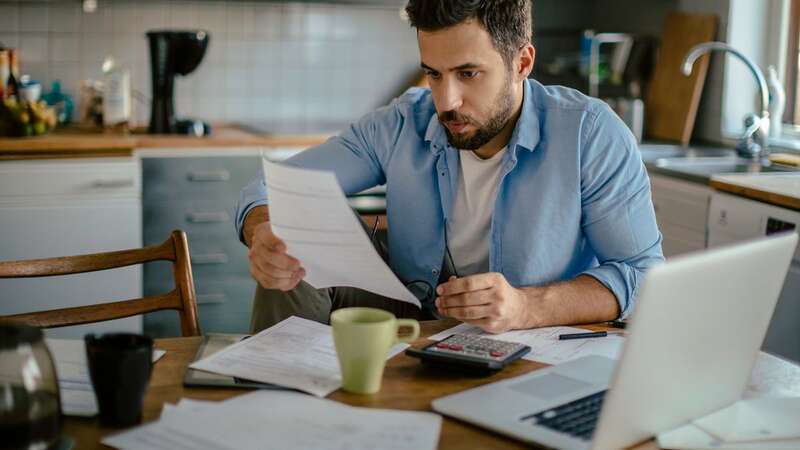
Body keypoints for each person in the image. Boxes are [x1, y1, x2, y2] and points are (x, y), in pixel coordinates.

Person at [235, 0, 663, 334]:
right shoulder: (404, 121)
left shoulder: (590, 133)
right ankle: (279, 406)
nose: (446, 101)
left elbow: (644, 277)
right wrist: (263, 231)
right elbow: (273, 187)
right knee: (291, 243)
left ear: (522, 63)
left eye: (468, 74)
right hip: (415, 312)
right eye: (434, 74)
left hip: (530, 337)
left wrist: (525, 306)